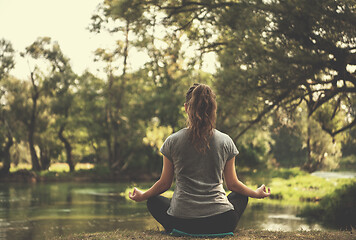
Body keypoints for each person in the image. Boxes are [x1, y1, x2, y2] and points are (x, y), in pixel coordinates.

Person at [129, 83, 271, 234]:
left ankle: (179, 228)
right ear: (213, 109)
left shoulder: (172, 141)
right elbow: (233, 185)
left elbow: (164, 183)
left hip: (181, 222)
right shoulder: (226, 141)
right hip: (222, 221)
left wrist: (143, 195)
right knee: (241, 196)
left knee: (153, 200)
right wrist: (255, 193)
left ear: (186, 108)